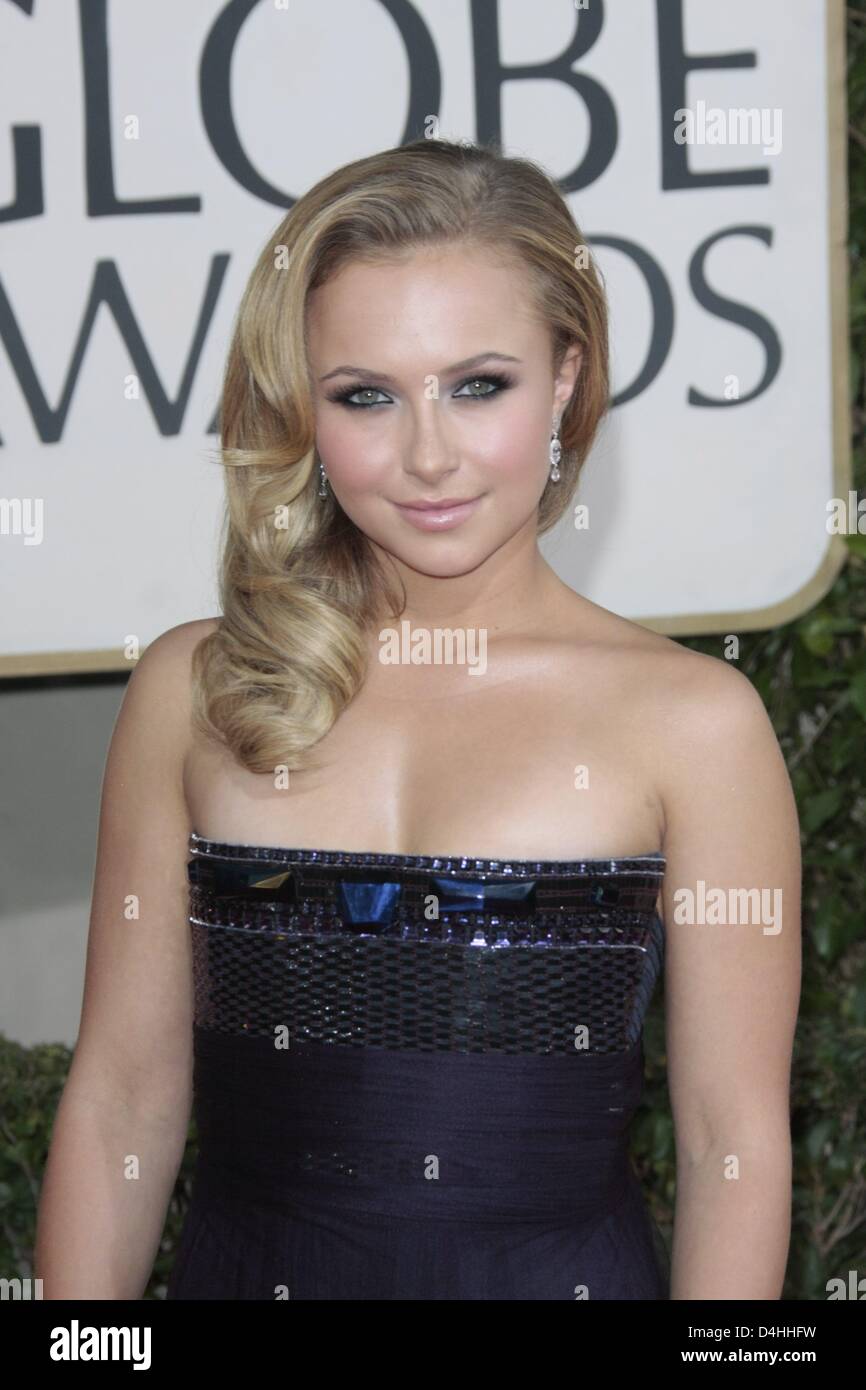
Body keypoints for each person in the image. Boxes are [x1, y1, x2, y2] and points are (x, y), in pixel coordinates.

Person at [35, 137, 801, 1301]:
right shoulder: (195, 689)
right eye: (366, 396)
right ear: (302, 407)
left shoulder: (694, 722)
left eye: (477, 383)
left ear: (567, 382)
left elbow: (727, 1144)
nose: (428, 454)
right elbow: (122, 1099)